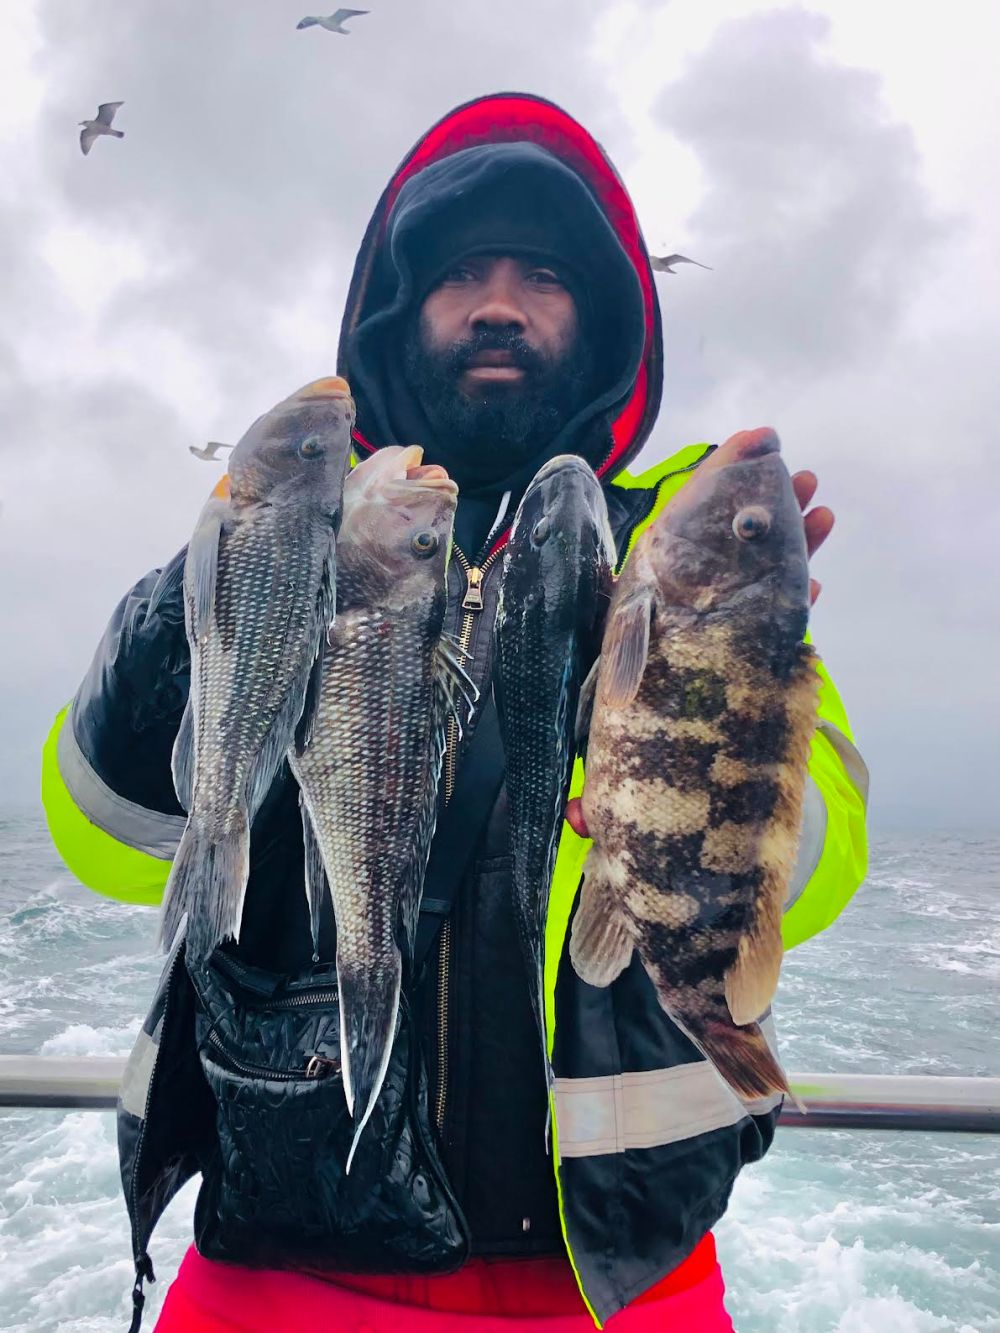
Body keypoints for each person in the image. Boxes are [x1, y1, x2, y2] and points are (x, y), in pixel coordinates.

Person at [41, 92, 869, 1331]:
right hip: (275, 1267)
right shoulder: (290, 535)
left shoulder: (680, 558)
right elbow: (102, 834)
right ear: (397, 314)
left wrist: (713, 696)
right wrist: (202, 596)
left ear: (603, 322)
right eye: (459, 275)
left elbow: (818, 872)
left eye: (544, 275)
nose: (498, 305)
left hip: (613, 1286)